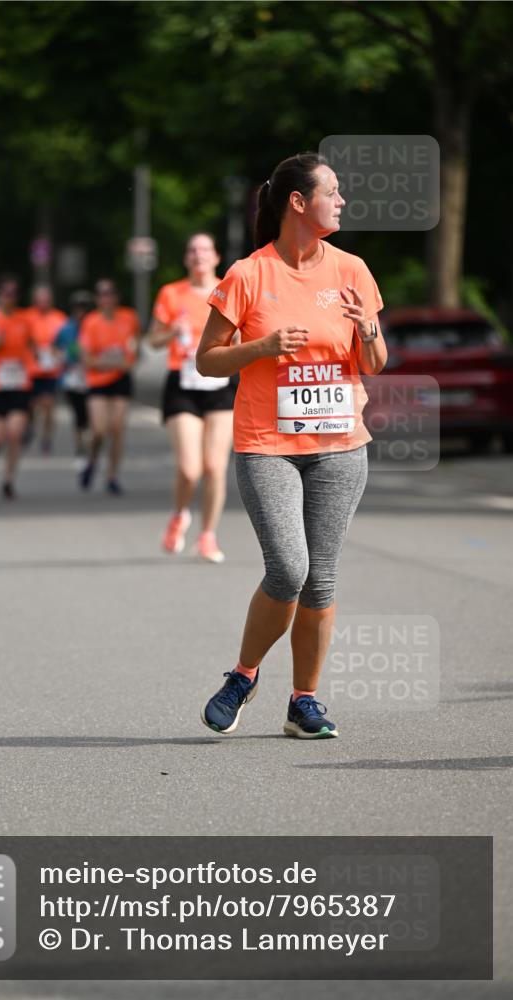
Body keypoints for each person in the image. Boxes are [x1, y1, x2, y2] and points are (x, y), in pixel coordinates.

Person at [197, 152, 387, 738]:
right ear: (298, 202)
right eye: (333, 191)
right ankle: (243, 675)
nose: (343, 201)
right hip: (267, 443)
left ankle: (304, 703)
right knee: (288, 568)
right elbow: (206, 360)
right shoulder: (248, 274)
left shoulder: (352, 269)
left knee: (321, 578)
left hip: (340, 445)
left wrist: (368, 328)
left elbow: (375, 364)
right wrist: (262, 347)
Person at [149, 233, 237, 563]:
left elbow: (242, 334)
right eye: (192, 250)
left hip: (220, 384)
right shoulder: (171, 294)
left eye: (204, 250)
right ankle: (179, 515)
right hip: (183, 383)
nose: (198, 255)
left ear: (216, 257)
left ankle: (207, 536)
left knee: (215, 467)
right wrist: (172, 330)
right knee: (190, 469)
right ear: (186, 259)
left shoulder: (227, 291)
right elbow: (153, 340)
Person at [78, 279, 140, 495]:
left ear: (117, 297)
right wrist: (115, 363)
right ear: (97, 299)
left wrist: (122, 361)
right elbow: (87, 360)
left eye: (111, 294)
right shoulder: (91, 322)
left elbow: (134, 352)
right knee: (99, 430)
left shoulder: (129, 318)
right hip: (97, 382)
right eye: (103, 294)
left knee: (117, 429)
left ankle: (113, 475)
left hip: (121, 381)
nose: (107, 298)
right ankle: (92, 461)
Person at [0, 276, 35, 499]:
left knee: (14, 434)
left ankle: (9, 479)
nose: (8, 298)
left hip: (20, 383)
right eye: (5, 293)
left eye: (13, 294)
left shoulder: (25, 320)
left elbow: (33, 345)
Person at [25, 284, 68, 453]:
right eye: (39, 300)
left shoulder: (59, 318)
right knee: (32, 405)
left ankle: (46, 438)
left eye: (46, 300)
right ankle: (30, 426)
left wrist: (58, 353)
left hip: (51, 370)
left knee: (49, 405)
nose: (43, 303)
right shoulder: (27, 317)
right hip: (31, 369)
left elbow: (67, 342)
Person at [54, 290, 92, 456]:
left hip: (92, 374)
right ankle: (79, 442)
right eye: (78, 308)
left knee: (90, 410)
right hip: (72, 374)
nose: (81, 312)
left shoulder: (94, 325)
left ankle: (90, 439)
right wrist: (61, 357)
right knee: (78, 411)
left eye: (84, 308)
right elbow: (55, 346)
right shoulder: (66, 328)